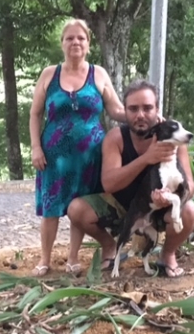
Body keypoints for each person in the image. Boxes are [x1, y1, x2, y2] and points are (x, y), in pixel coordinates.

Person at [66, 79, 194, 277]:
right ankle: (110, 247)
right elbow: (109, 183)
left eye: (147, 108)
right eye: (133, 109)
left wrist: (170, 199)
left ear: (157, 109)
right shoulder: (116, 138)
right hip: (122, 206)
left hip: (160, 209)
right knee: (76, 209)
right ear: (125, 111)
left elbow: (190, 184)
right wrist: (146, 158)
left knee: (189, 210)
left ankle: (167, 255)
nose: (140, 115)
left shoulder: (175, 137)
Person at [29, 18, 125, 276]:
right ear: (62, 43)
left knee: (77, 207)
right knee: (50, 209)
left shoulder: (99, 74)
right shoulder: (49, 74)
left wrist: (141, 116)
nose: (75, 42)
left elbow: (115, 109)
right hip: (53, 156)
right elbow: (35, 114)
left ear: (88, 43)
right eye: (70, 38)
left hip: (90, 156)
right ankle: (45, 259)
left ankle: (73, 258)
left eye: (81, 38)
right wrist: (35, 148)